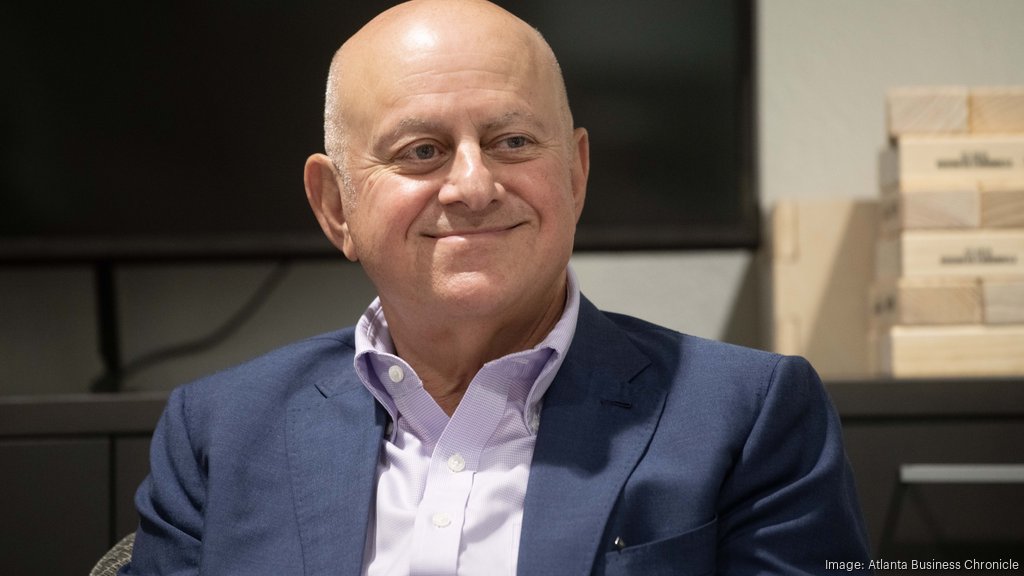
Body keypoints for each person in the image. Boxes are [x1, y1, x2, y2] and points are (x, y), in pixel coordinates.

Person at [123, 0, 872, 574]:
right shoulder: (218, 432)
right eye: (422, 150)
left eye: (513, 141)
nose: (474, 186)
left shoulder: (750, 417)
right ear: (335, 207)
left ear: (575, 174)